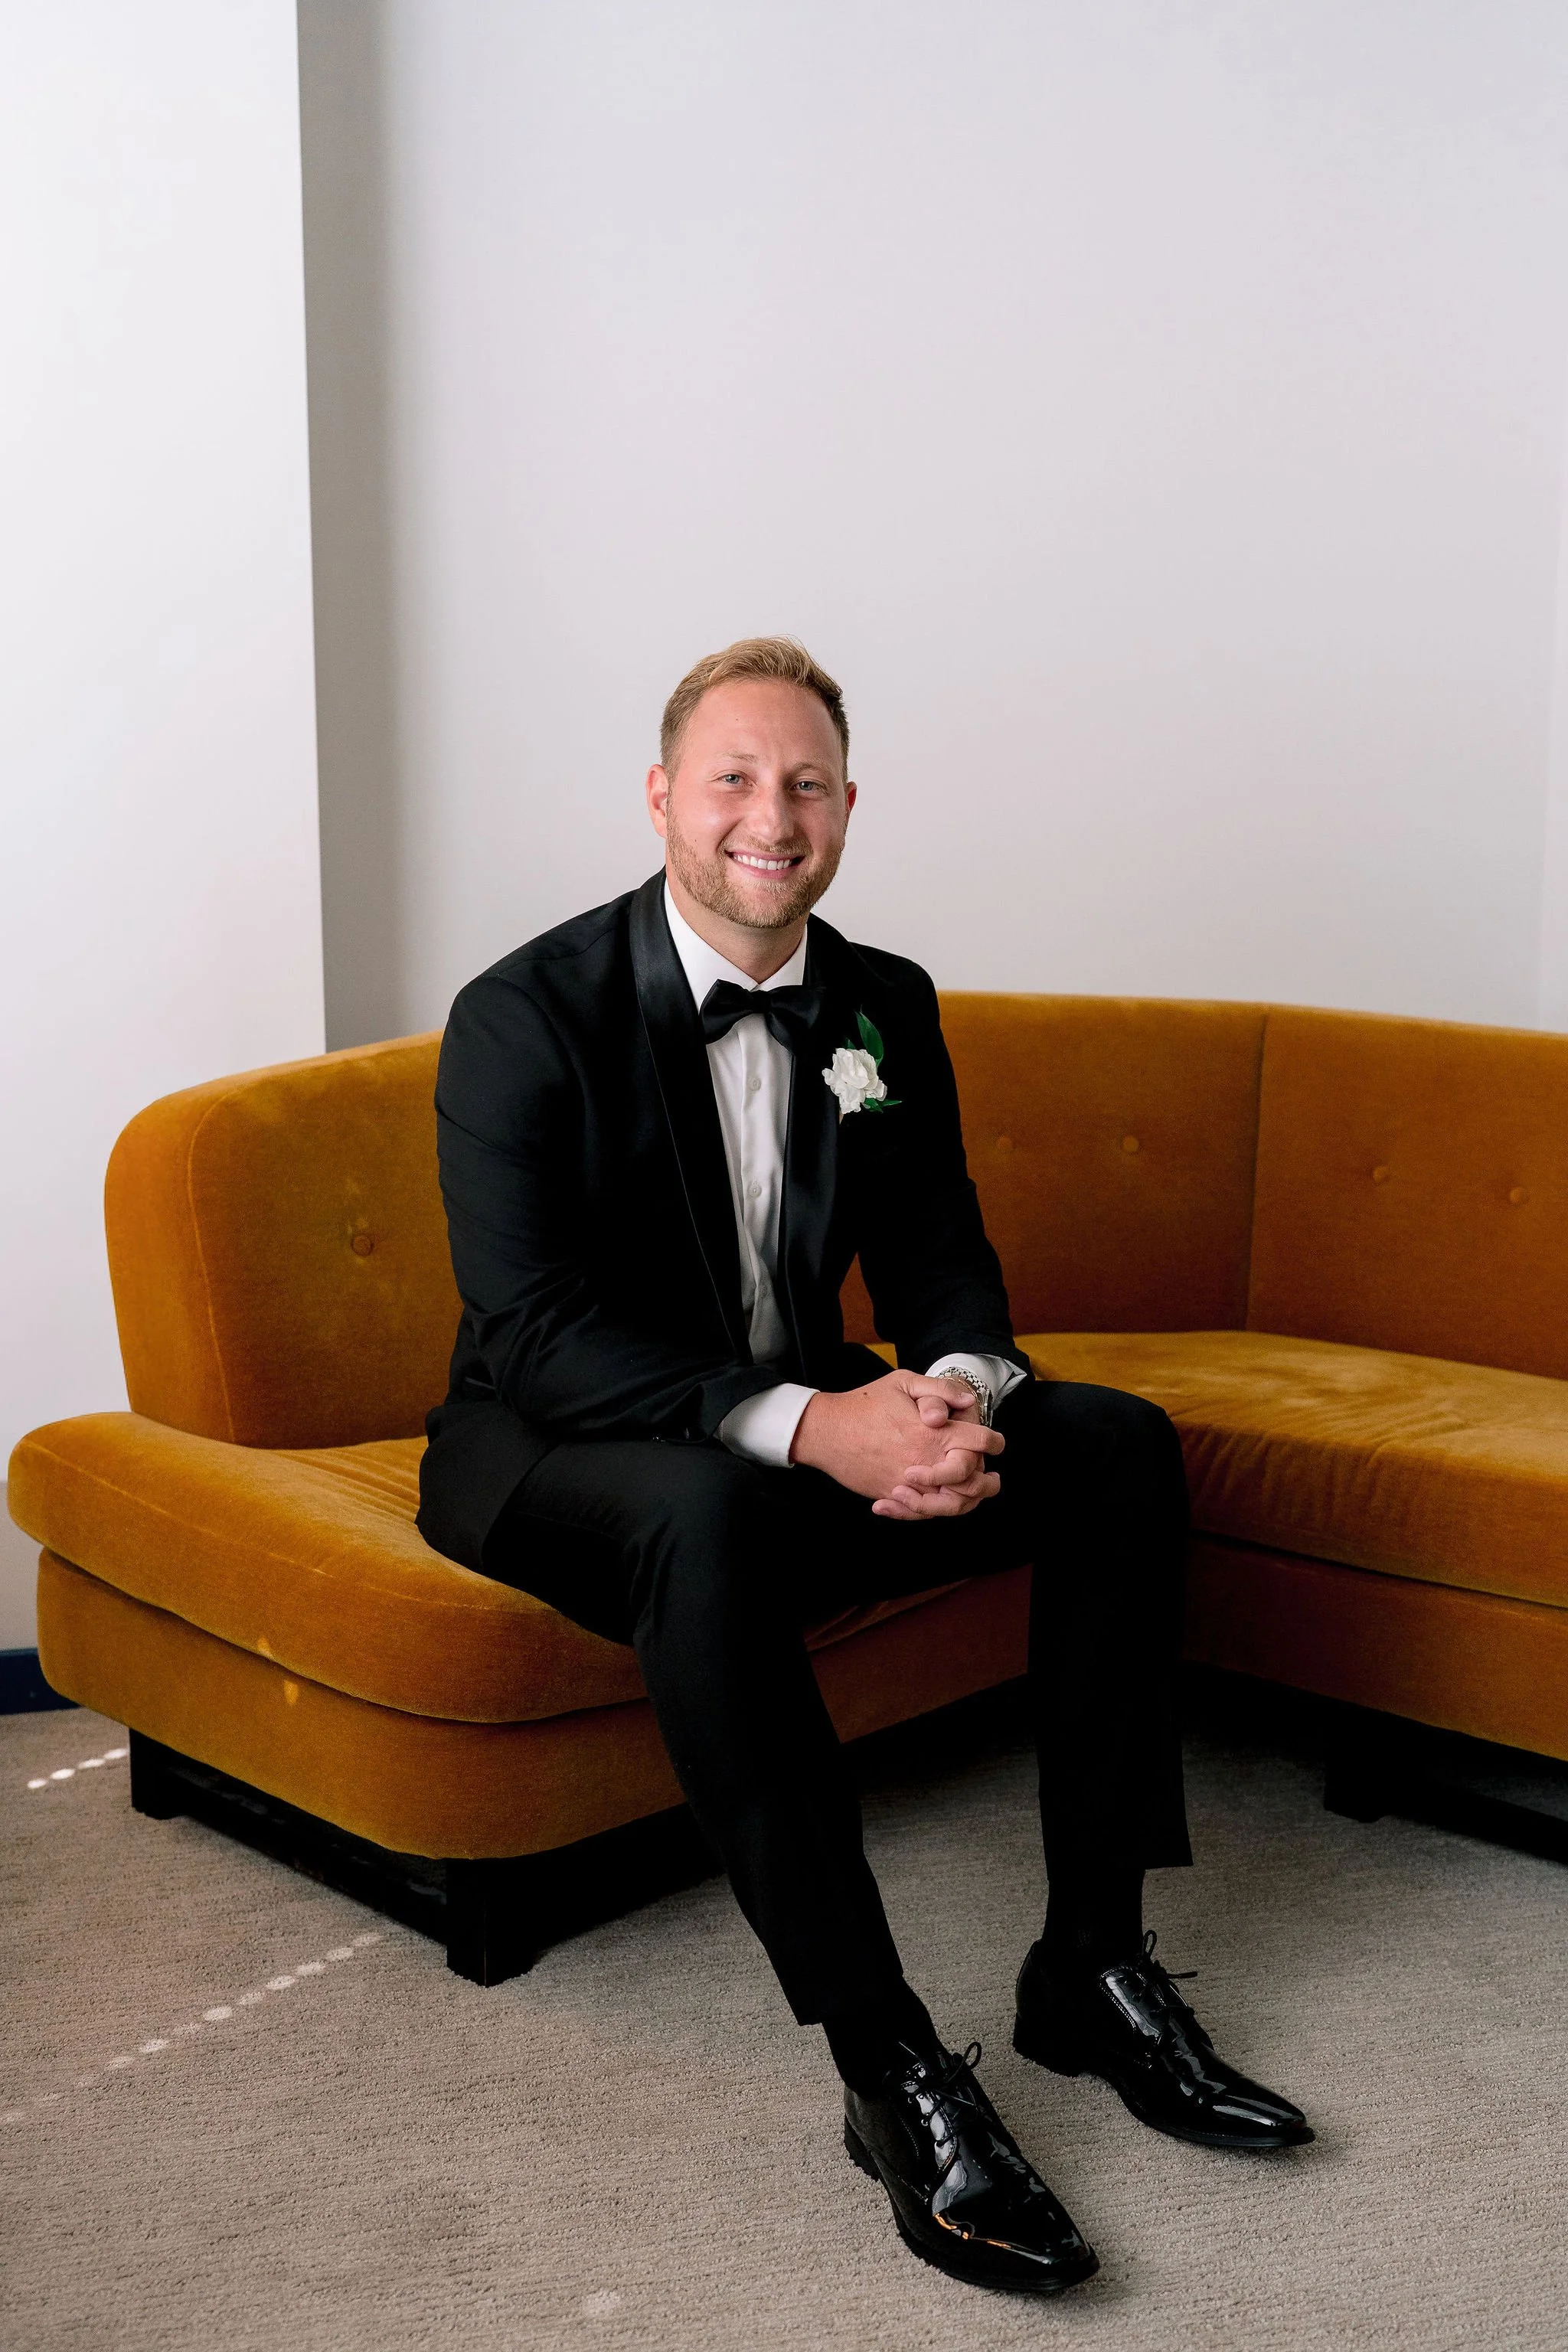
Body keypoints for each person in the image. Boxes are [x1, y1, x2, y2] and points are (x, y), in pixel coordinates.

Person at [417, 637, 1311, 2296]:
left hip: (794, 1417)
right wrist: (816, 1427)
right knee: (703, 1518)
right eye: (735, 779)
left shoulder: (882, 998)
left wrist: (954, 1399)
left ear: (846, 807)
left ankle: (1091, 1963)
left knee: (1112, 1447)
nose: (772, 816)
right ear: (662, 798)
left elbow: (939, 1261)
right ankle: (885, 2057)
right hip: (558, 1447)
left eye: (807, 784)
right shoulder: (522, 1016)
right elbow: (534, 1334)